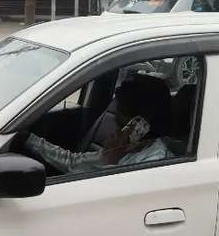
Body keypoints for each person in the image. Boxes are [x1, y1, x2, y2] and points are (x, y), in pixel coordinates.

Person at [20, 75, 174, 175]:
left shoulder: (158, 160)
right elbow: (73, 162)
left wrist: (110, 162)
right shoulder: (125, 146)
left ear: (139, 118)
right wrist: (28, 139)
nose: (115, 112)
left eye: (120, 108)